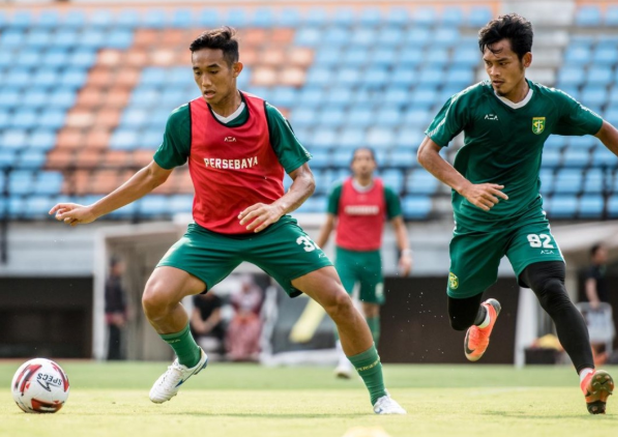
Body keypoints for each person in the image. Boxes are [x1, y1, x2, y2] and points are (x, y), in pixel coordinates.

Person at [49, 26, 405, 415]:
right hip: (210, 233)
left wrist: (278, 208)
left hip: (270, 227)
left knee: (339, 300)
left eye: (214, 70)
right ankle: (188, 359)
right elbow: (153, 174)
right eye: (197, 72)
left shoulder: (268, 116)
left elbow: (305, 179)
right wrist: (92, 210)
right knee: (155, 298)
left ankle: (380, 395)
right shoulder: (184, 120)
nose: (205, 80)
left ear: (237, 69)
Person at [416, 13, 618, 414]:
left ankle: (589, 379)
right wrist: (466, 187)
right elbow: (426, 152)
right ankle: (484, 316)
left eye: (502, 62)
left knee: (552, 288)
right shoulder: (468, 101)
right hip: (476, 222)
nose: (493, 72)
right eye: (488, 63)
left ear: (526, 60)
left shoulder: (550, 104)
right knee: (460, 318)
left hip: (525, 216)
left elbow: (603, 128)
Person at [316, 147, 412, 378]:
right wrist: (315, 253)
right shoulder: (339, 190)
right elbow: (329, 224)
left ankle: (371, 358)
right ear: (352, 165)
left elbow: (398, 225)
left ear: (375, 164)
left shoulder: (386, 192)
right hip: (345, 257)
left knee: (370, 308)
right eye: (359, 159)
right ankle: (343, 360)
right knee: (342, 305)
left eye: (367, 159)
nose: (363, 163)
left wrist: (406, 252)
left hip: (371, 257)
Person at [582, 244, 611, 365]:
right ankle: (589, 360)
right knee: (594, 335)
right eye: (601, 254)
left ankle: (594, 360)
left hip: (602, 308)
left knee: (600, 337)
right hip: (594, 310)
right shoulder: (593, 270)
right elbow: (590, 285)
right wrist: (594, 301)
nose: (604, 256)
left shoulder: (602, 269)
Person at [227, 275, 264, 361]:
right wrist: (240, 316)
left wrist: (248, 316)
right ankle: (236, 352)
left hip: (252, 318)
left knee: (254, 327)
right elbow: (235, 308)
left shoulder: (256, 293)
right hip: (239, 317)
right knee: (234, 327)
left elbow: (257, 310)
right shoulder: (236, 294)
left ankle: (252, 351)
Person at [105, 257, 127, 360]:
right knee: (114, 338)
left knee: (117, 337)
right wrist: (115, 315)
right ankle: (113, 358)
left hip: (118, 313)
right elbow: (112, 300)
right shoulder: (111, 282)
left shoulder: (117, 280)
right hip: (114, 314)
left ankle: (116, 357)